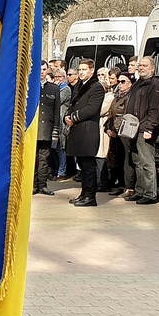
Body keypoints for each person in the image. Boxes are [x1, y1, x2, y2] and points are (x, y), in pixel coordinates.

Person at [65, 58, 105, 207]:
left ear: (91, 71)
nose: (81, 72)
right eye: (80, 69)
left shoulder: (96, 87)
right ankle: (83, 194)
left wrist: (74, 117)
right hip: (77, 131)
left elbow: (91, 109)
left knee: (89, 166)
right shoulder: (79, 86)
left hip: (88, 131)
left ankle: (90, 196)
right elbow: (72, 104)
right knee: (81, 165)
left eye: (84, 70)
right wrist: (67, 117)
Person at [126, 57, 159, 204]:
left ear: (152, 68)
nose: (141, 68)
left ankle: (150, 193)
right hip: (133, 129)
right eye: (139, 65)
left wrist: (149, 128)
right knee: (137, 162)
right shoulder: (138, 84)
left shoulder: (155, 85)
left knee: (147, 162)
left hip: (145, 129)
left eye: (144, 66)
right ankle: (140, 190)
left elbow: (154, 109)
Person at [105, 72, 135, 197]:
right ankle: (121, 184)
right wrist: (108, 127)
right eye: (119, 81)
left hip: (124, 131)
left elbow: (125, 115)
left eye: (123, 82)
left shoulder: (130, 96)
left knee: (126, 160)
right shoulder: (118, 95)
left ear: (130, 83)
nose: (120, 84)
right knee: (117, 159)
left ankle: (129, 187)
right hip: (114, 130)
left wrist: (116, 130)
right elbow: (112, 112)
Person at [34, 64, 62, 196]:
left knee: (44, 159)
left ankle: (42, 185)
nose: (41, 72)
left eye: (44, 69)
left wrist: (56, 130)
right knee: (33, 159)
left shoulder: (54, 88)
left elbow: (56, 112)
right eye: (39, 69)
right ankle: (33, 185)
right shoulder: (30, 86)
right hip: (33, 129)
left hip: (46, 129)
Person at [50, 61, 71, 180]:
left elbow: (57, 100)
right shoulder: (55, 88)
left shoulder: (66, 89)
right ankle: (56, 170)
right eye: (56, 76)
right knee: (54, 147)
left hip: (62, 122)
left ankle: (62, 172)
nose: (57, 79)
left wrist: (55, 88)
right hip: (54, 121)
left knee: (61, 148)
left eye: (59, 77)